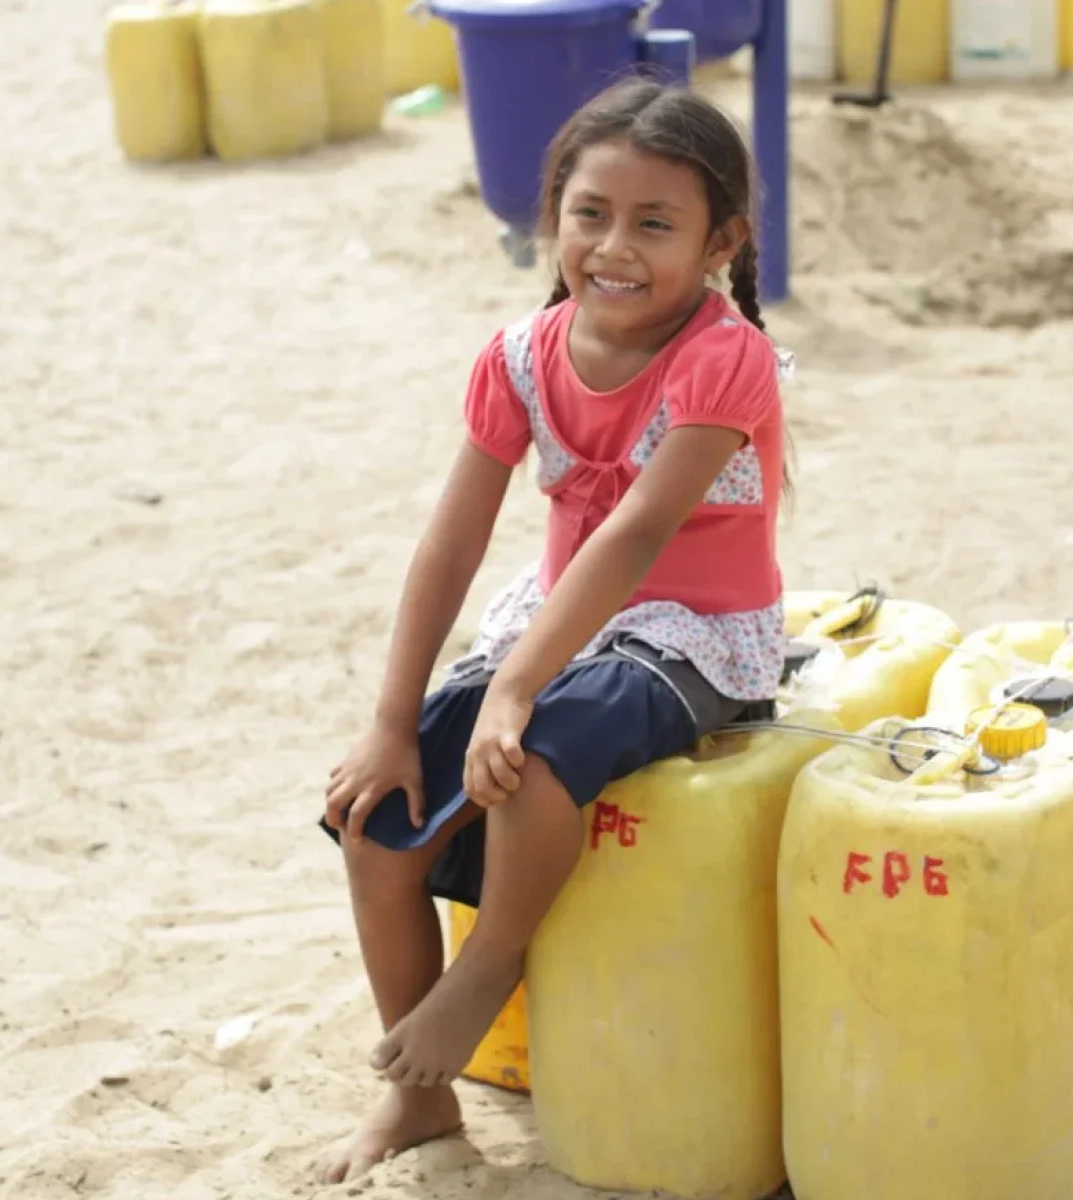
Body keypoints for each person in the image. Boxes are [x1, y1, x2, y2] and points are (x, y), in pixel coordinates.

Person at [318, 75, 793, 1184]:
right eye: (590, 213)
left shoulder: (726, 360)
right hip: (557, 627)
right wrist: (395, 720)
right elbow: (448, 545)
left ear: (720, 240)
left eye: (654, 223)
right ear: (553, 214)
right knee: (375, 822)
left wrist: (512, 691)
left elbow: (632, 537)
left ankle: (487, 969)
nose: (614, 247)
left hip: (692, 638)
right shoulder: (521, 357)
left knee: (526, 758)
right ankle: (422, 1102)